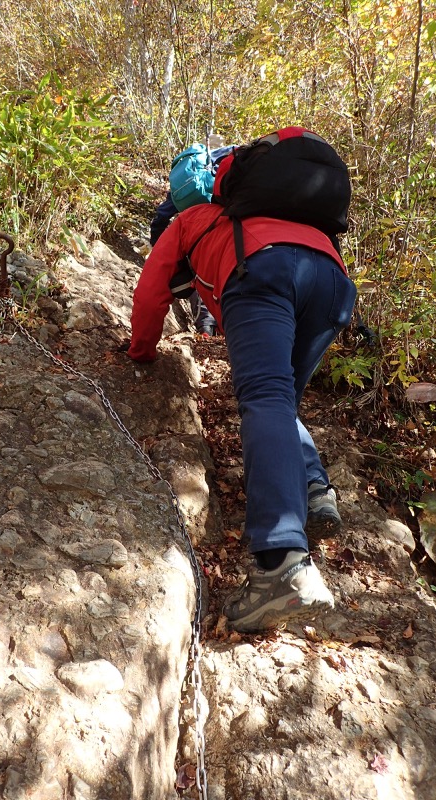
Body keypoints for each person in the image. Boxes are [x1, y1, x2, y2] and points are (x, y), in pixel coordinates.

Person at [127, 132, 357, 633]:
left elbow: (150, 294)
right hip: (333, 281)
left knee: (266, 399)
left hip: (266, 271)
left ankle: (282, 565)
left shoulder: (191, 220)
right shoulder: (272, 212)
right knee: (282, 402)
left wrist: (141, 353)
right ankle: (314, 488)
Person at [149, 135, 234, 337]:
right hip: (227, 225)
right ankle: (221, 330)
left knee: (200, 272)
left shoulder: (188, 174)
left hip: (196, 229)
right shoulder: (235, 158)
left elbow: (162, 215)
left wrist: (159, 247)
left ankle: (205, 329)